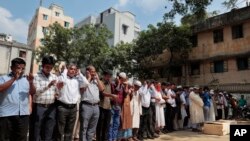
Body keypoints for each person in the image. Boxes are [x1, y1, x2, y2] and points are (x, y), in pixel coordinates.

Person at [0, 57, 35, 141]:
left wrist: (31, 82)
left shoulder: (26, 79)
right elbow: (0, 88)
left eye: (23, 68)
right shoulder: (4, 78)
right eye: (18, 68)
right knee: (5, 138)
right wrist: (14, 78)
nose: (21, 70)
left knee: (21, 137)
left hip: (23, 114)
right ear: (12, 68)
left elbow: (32, 92)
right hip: (7, 114)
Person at [31, 56, 58, 141]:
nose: (49, 69)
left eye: (51, 67)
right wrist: (48, 86)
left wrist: (59, 90)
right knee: (37, 128)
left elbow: (56, 91)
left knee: (49, 129)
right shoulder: (36, 76)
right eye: (47, 67)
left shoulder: (54, 77)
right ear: (42, 65)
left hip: (51, 107)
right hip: (39, 106)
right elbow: (36, 92)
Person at [55, 63, 84, 141]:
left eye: (75, 69)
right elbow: (62, 81)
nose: (73, 71)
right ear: (67, 69)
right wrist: (64, 71)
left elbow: (86, 83)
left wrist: (80, 74)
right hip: (63, 107)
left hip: (73, 108)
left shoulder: (77, 80)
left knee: (69, 130)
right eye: (71, 69)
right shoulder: (62, 77)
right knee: (60, 130)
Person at [79, 65, 104, 141]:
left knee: (92, 128)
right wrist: (89, 78)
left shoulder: (96, 81)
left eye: (94, 71)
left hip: (96, 107)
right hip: (86, 106)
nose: (93, 73)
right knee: (84, 127)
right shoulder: (82, 79)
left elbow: (102, 89)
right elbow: (82, 90)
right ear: (87, 72)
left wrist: (98, 79)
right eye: (92, 71)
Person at [96, 70, 117, 141]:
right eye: (108, 76)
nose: (109, 78)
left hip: (108, 107)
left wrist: (112, 98)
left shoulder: (110, 84)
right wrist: (112, 95)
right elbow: (103, 93)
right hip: (101, 107)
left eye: (110, 76)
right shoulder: (100, 82)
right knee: (100, 126)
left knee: (107, 126)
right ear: (104, 76)